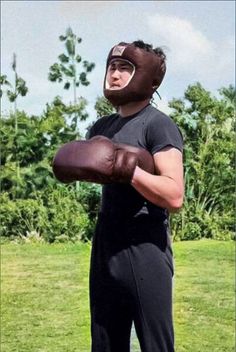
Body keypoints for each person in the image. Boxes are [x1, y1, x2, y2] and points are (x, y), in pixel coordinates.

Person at [52, 40, 184, 352]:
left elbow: (175, 196)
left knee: (155, 344)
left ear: (149, 79)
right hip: (106, 242)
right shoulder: (103, 126)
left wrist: (132, 172)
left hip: (144, 244)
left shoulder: (159, 125)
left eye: (125, 68)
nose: (114, 74)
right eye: (112, 66)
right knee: (105, 342)